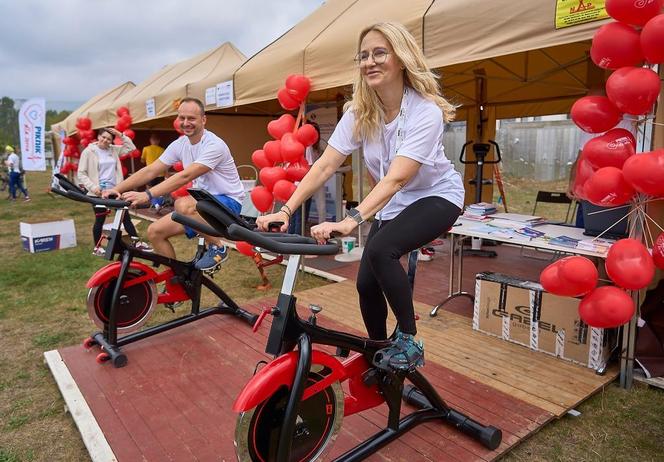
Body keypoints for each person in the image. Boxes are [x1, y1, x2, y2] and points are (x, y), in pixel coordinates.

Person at [257, 22, 464, 372]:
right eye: (364, 55)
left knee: (383, 251)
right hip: (394, 202)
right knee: (367, 283)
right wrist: (287, 210)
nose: (370, 61)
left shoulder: (424, 111)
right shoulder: (359, 112)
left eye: (380, 52)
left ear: (400, 59)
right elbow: (324, 165)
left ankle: (410, 342)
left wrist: (350, 220)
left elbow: (397, 177)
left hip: (437, 196)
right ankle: (379, 350)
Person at [103, 97, 245, 272]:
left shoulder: (214, 145)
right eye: (182, 118)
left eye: (191, 118)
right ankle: (175, 280)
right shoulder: (180, 144)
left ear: (203, 120)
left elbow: (185, 176)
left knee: (182, 204)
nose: (186, 123)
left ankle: (218, 247)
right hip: (203, 205)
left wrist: (147, 195)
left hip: (229, 205)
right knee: (155, 232)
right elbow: (151, 170)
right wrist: (116, 189)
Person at [78, 127, 147, 254]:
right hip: (97, 193)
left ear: (111, 141)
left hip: (114, 191)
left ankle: (137, 242)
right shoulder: (89, 151)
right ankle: (97, 248)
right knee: (100, 219)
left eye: (109, 139)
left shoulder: (114, 150)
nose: (105, 140)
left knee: (125, 216)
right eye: (103, 137)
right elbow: (81, 173)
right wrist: (94, 187)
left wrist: (120, 134)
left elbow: (131, 147)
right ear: (98, 136)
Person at [288, 122, 326, 234]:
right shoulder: (307, 147)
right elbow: (308, 167)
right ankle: (295, 238)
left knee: (297, 213)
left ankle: (292, 237)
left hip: (306, 182)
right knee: (300, 214)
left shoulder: (314, 147)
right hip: (305, 182)